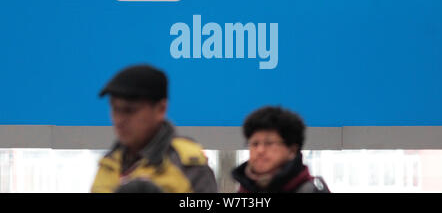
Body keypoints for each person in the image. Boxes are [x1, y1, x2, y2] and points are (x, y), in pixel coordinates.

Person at [91, 64, 217, 193]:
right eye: (115, 109)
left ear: (160, 109)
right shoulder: (109, 164)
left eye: (129, 110)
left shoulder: (188, 165)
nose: (119, 120)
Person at [231, 106, 330, 193]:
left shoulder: (311, 190)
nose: (260, 150)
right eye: (255, 144)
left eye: (269, 143)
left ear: (292, 150)